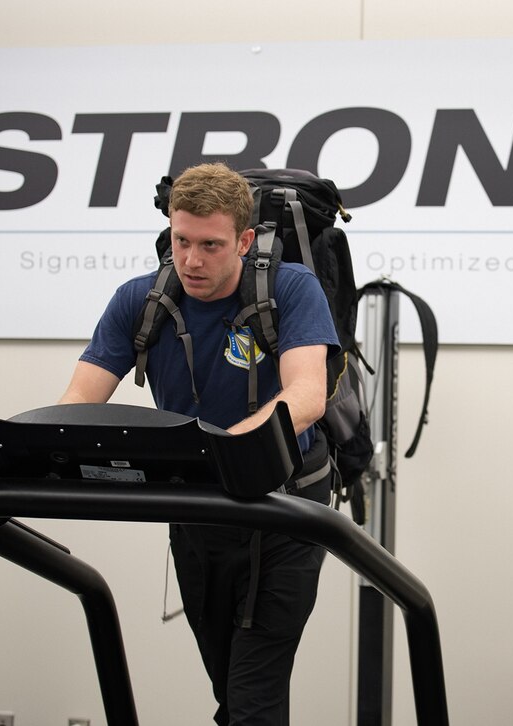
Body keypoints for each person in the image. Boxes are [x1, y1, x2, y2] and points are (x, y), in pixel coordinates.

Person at [59, 161, 339, 725]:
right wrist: (22, 457)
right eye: (181, 240)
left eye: (210, 245)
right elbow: (76, 406)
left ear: (244, 239)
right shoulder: (140, 300)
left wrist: (229, 451)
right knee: (230, 697)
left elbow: (306, 394)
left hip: (284, 516)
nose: (191, 260)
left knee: (253, 699)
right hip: (198, 518)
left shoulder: (289, 288)